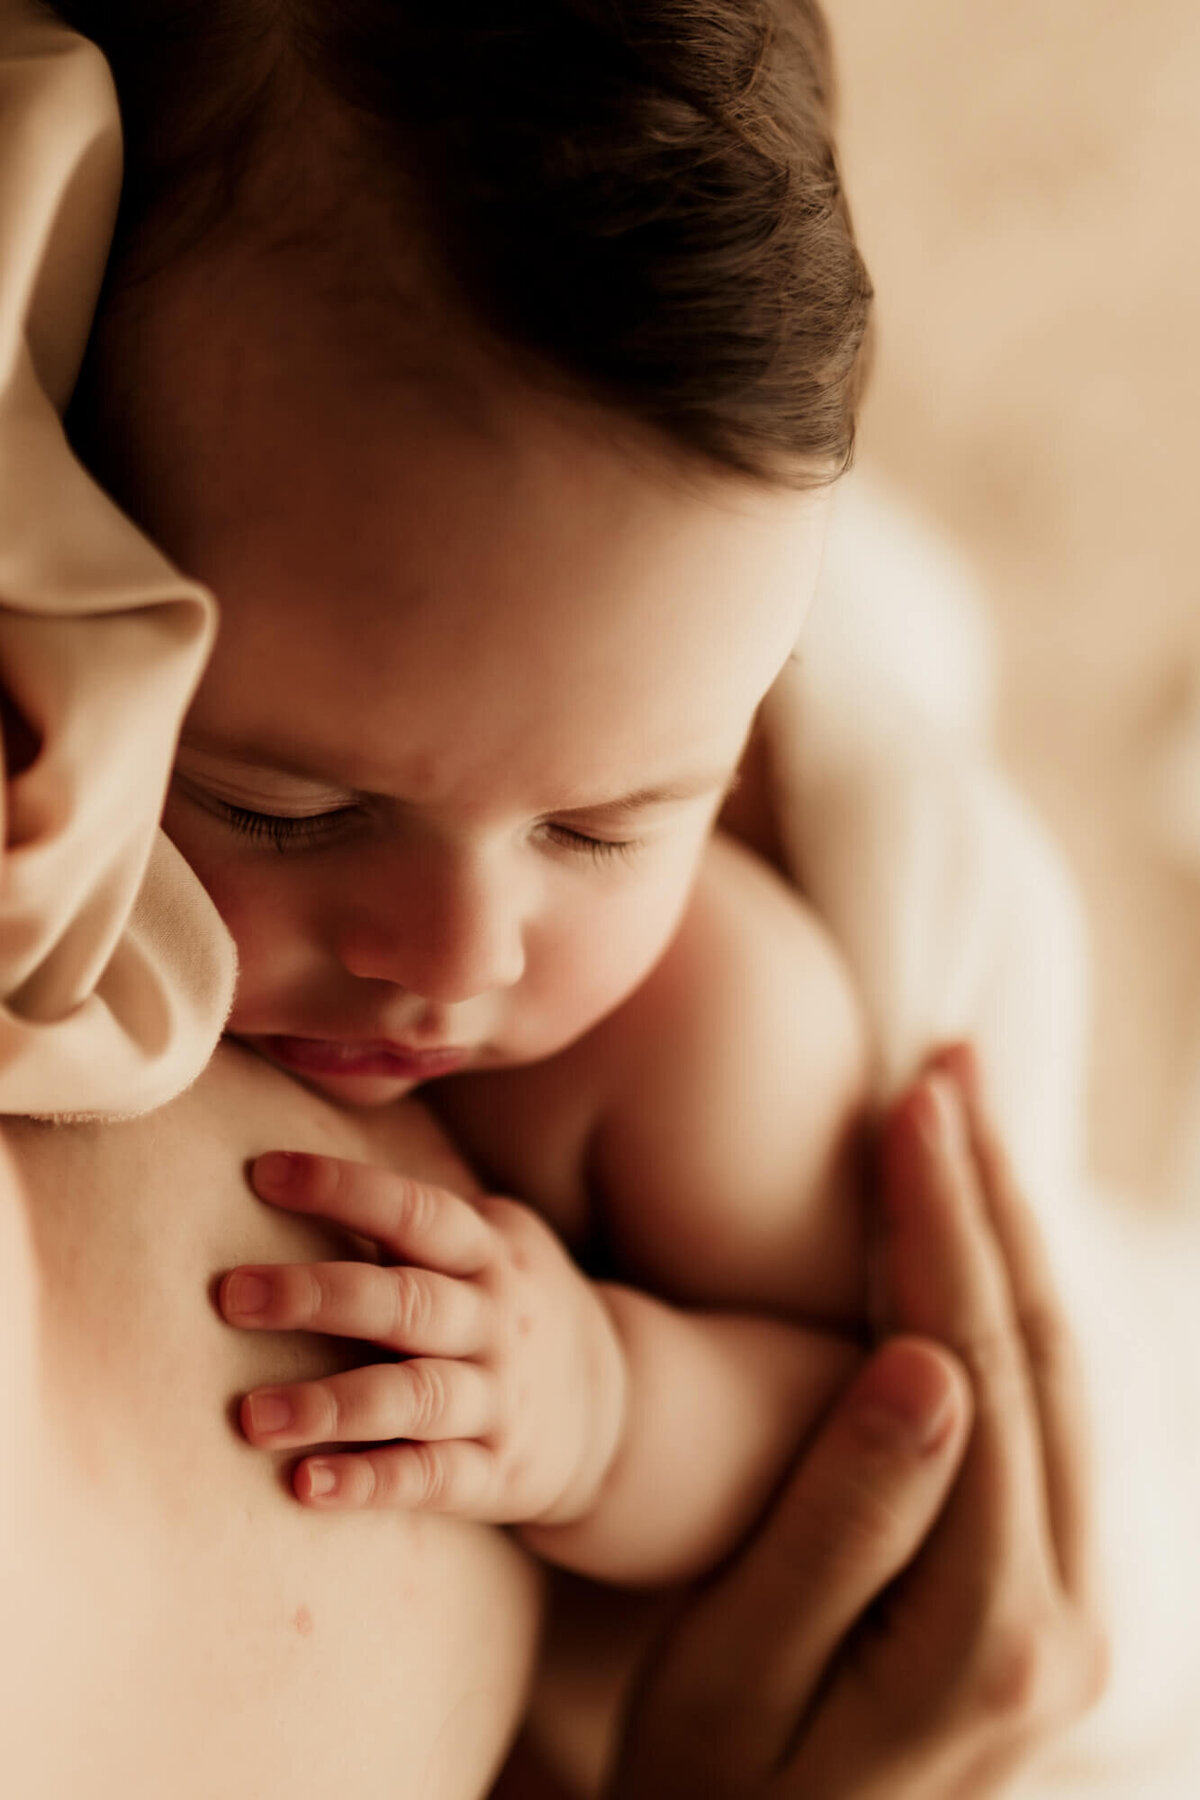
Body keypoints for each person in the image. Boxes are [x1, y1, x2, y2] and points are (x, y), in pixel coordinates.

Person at [1, 1, 1105, 1794]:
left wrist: (603, 1405)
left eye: (603, 828)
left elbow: (852, 1410)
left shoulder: (700, 1032)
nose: (452, 961)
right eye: (287, 802)